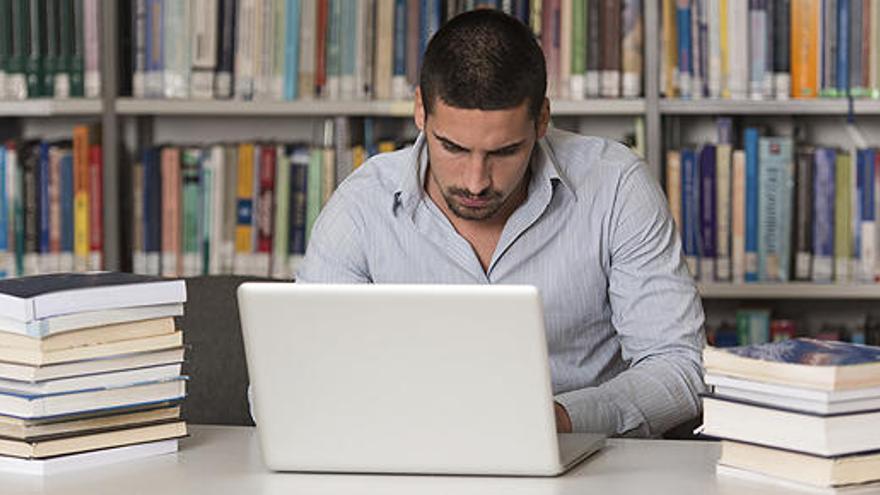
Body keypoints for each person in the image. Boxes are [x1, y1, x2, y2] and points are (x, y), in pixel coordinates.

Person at [296, 9, 705, 437]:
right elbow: (291, 376)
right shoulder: (362, 206)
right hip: (408, 459)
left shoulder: (616, 186)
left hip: (589, 464)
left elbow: (678, 365)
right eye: (452, 147)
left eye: (504, 152)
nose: (475, 182)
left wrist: (564, 421)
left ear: (542, 120)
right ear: (421, 111)